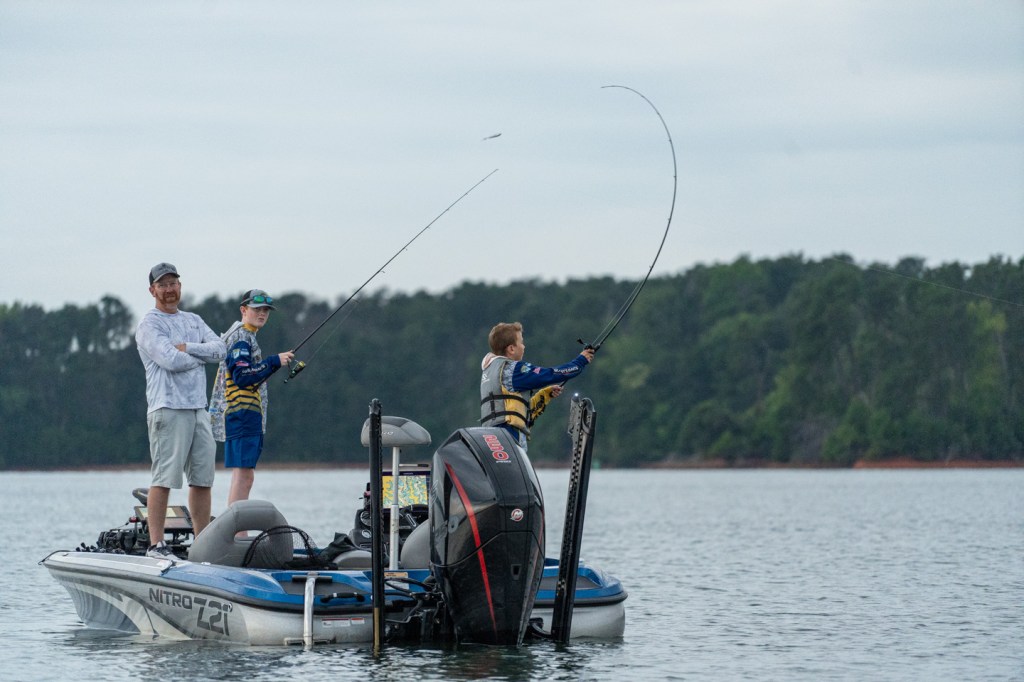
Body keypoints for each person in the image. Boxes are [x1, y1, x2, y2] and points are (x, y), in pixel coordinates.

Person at [135, 263, 226, 560]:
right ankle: (156, 546)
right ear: (152, 290)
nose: (169, 289)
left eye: (173, 283)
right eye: (162, 285)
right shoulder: (149, 325)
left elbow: (221, 350)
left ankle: (202, 545)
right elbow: (170, 360)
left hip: (199, 409)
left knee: (202, 479)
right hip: (167, 408)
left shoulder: (193, 320)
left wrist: (188, 347)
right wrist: (199, 355)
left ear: (180, 286)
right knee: (164, 478)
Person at [209, 289, 294, 507]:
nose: (262, 313)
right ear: (243, 310)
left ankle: (235, 523)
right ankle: (236, 525)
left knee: (243, 476)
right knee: (244, 477)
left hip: (244, 415)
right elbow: (242, 376)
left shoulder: (246, 336)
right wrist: (274, 361)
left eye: (266, 310)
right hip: (242, 414)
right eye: (257, 309)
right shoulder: (242, 337)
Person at [480, 321, 595, 450]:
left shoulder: (490, 371)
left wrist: (545, 395)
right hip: (509, 439)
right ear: (511, 348)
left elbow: (516, 411)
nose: (524, 346)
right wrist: (580, 361)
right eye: (521, 342)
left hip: (492, 442)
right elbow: (550, 374)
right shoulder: (512, 369)